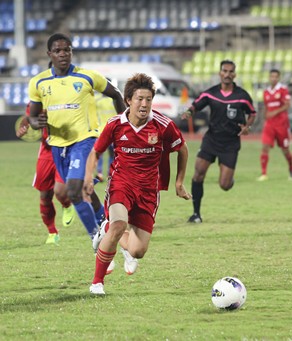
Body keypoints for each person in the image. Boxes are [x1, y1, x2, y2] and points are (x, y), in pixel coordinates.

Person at [83, 73, 191, 295]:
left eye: (149, 99)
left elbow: (182, 149)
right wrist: (88, 178)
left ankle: (105, 229)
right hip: (121, 183)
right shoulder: (115, 125)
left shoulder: (163, 125)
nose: (144, 104)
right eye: (140, 99)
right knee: (119, 224)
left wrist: (179, 182)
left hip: (148, 191)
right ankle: (97, 282)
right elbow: (96, 151)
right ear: (128, 100)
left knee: (138, 251)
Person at [27, 33, 126, 242]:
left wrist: (124, 123)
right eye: (58, 51)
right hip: (57, 146)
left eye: (67, 50)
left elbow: (116, 94)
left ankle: (96, 240)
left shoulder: (86, 77)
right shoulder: (39, 83)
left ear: (71, 52)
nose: (63, 54)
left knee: (73, 191)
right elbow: (33, 117)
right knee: (84, 190)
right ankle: (105, 225)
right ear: (49, 54)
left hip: (85, 141)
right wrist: (38, 123)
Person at [182, 60, 256, 223]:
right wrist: (188, 112)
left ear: (234, 74)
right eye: (225, 71)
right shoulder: (211, 93)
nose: (227, 74)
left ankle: (229, 180)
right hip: (212, 139)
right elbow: (196, 105)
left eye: (231, 71)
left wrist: (247, 126)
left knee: (224, 185)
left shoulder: (242, 96)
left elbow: (252, 113)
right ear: (220, 73)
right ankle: (196, 214)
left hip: (231, 143)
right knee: (198, 173)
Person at [16, 102, 75, 245]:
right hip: (46, 153)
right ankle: (52, 232)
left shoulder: (67, 96)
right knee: (44, 196)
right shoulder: (38, 97)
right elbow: (29, 116)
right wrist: (24, 126)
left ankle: (66, 205)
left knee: (60, 191)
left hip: (65, 149)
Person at [257, 69, 292, 181]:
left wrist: (275, 112)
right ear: (269, 77)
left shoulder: (283, 90)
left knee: (285, 149)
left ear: (278, 78)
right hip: (269, 124)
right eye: (271, 76)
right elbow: (265, 106)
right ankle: (264, 173)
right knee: (265, 147)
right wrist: (264, 116)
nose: (273, 78)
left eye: (275, 76)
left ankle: (291, 169)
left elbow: (287, 105)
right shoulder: (266, 92)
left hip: (281, 124)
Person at [94, 91, 116, 182]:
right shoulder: (113, 101)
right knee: (112, 154)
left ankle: (99, 173)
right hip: (112, 131)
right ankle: (109, 173)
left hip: (100, 131)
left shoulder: (97, 100)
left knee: (99, 153)